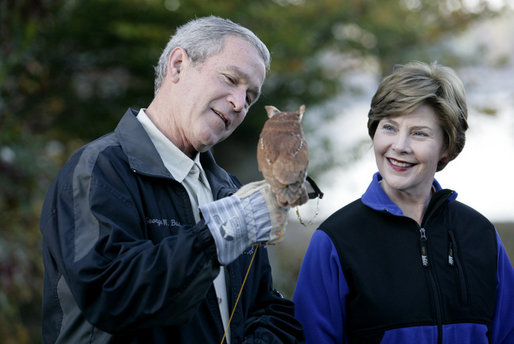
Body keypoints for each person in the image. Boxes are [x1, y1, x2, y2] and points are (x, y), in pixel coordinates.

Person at [40, 16, 307, 343]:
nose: (239, 104)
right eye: (230, 79)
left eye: (250, 97)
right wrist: (217, 235)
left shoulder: (230, 191)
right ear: (178, 65)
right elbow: (112, 296)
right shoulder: (99, 169)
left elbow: (267, 308)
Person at [293, 61, 514, 343]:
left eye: (419, 133)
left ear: (446, 147)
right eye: (389, 127)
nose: (400, 146)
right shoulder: (334, 241)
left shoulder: (480, 234)